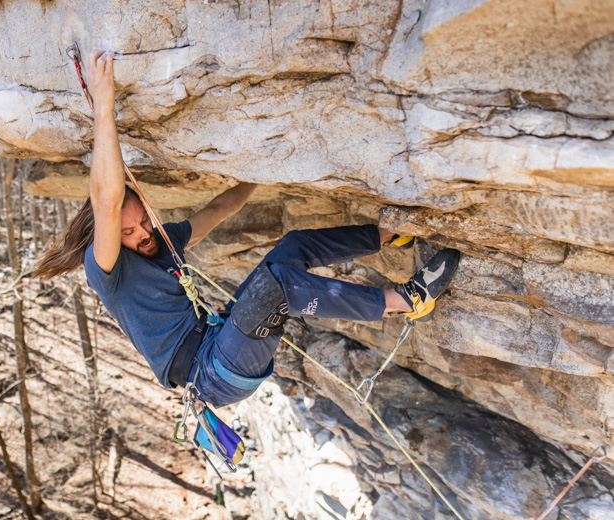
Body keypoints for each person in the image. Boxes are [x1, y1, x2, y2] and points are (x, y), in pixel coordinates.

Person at [33, 51, 460, 408]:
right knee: (274, 287)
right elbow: (106, 201)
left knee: (293, 247)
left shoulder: (163, 243)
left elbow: (220, 208)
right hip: (214, 373)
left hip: (223, 343)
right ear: (109, 237)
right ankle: (406, 300)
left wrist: (259, 173)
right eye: (128, 231)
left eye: (144, 220)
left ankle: (391, 233)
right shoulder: (108, 270)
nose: (143, 232)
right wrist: (103, 108)